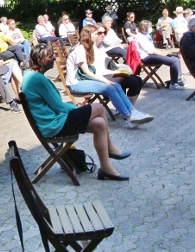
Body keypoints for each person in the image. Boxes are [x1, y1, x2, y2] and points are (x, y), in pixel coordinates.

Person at [22, 45, 131, 180]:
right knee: (98, 107)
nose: (53, 58)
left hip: (52, 122)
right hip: (53, 125)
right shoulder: (37, 79)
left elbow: (55, 105)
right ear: (39, 60)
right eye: (49, 56)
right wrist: (78, 109)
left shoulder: (31, 76)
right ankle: (111, 149)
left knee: (99, 123)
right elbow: (59, 106)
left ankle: (105, 168)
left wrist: (77, 109)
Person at [66, 26, 152, 126]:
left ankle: (133, 112)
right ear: (88, 36)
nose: (97, 36)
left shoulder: (86, 48)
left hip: (83, 80)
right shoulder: (79, 50)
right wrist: (105, 81)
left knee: (117, 85)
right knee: (109, 88)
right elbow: (86, 72)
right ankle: (129, 118)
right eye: (95, 34)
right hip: (76, 83)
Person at [134, 21, 184, 89]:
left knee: (176, 57)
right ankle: (173, 84)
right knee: (173, 61)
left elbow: (153, 49)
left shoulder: (147, 35)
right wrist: (162, 53)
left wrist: (165, 53)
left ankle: (178, 80)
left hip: (151, 55)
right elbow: (149, 50)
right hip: (146, 57)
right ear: (144, 27)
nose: (151, 28)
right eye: (149, 27)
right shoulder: (139, 37)